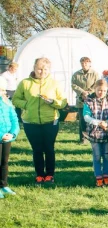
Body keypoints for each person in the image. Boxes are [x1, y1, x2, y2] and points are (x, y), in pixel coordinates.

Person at [12, 57, 67, 185]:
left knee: (49, 148)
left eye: (45, 69)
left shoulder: (54, 84)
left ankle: (49, 175)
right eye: (40, 69)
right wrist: (27, 105)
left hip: (50, 121)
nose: (42, 72)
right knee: (36, 149)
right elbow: (15, 100)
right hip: (30, 122)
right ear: (34, 68)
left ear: (49, 70)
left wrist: (53, 102)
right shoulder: (25, 83)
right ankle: (39, 175)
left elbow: (63, 102)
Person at [83, 79, 108, 187]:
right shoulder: (89, 101)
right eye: (99, 90)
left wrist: (107, 122)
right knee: (97, 156)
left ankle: (106, 175)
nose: (101, 92)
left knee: (106, 156)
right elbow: (86, 116)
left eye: (104, 90)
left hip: (107, 133)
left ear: (107, 90)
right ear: (95, 89)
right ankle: (98, 176)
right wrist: (98, 123)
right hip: (94, 133)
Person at [71, 56, 99, 144]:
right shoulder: (76, 74)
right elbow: (73, 85)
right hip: (81, 100)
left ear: (89, 63)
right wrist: (82, 92)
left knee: (93, 119)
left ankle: (94, 136)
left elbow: (97, 84)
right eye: (82, 63)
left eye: (86, 63)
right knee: (82, 120)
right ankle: (83, 138)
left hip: (92, 100)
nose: (84, 65)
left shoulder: (94, 74)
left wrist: (88, 92)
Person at [0, 76, 19, 197]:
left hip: (7, 138)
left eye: (2, 90)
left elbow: (14, 119)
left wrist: (12, 133)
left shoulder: (7, 102)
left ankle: (4, 184)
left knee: (4, 162)